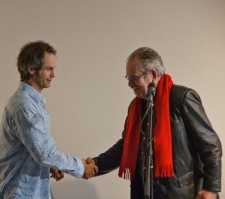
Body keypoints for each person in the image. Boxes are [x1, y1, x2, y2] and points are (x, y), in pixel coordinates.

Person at [86, 47, 222, 199]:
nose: (129, 84)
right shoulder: (135, 106)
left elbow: (210, 146)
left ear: (153, 74)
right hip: (143, 192)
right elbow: (126, 146)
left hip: (181, 193)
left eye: (134, 77)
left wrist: (211, 188)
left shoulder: (182, 98)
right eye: (128, 78)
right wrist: (96, 165)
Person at [0, 40, 98, 199]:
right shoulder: (24, 106)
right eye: (49, 69)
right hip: (21, 194)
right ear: (31, 70)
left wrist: (50, 166)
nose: (53, 74)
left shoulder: (32, 102)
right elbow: (44, 152)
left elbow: (35, 150)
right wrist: (80, 167)